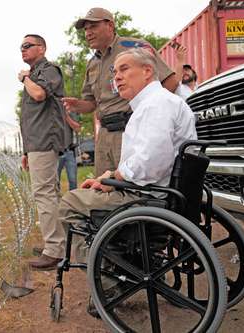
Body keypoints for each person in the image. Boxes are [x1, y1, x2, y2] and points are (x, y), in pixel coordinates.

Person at [58, 47, 197, 277]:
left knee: (70, 202)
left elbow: (150, 162)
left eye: (124, 69)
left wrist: (114, 178)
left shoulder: (156, 105)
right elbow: (148, 159)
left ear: (147, 71)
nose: (117, 77)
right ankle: (118, 261)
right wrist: (112, 177)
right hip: (160, 191)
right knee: (90, 190)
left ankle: (106, 276)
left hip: (148, 197)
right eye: (114, 73)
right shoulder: (157, 103)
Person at [62, 7, 179, 179]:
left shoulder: (135, 48)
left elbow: (170, 82)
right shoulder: (92, 63)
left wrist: (145, 116)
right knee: (103, 188)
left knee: (132, 189)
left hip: (130, 130)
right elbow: (91, 104)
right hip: (104, 136)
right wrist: (77, 105)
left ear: (110, 25)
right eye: (86, 29)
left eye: (93, 27)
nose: (88, 33)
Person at [18, 34, 66, 270]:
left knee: (44, 194)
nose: (23, 50)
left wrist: (25, 77)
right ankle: (57, 243)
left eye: (28, 46)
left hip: (45, 141)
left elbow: (39, 95)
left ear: (42, 48)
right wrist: (26, 150)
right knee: (50, 193)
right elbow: (30, 118)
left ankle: (54, 249)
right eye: (21, 47)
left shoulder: (48, 70)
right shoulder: (36, 74)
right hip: (36, 143)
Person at [57, 111, 81, 192]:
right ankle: (56, 202)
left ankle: (73, 201)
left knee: (73, 180)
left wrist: (66, 116)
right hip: (55, 153)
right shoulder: (50, 112)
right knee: (55, 181)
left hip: (69, 151)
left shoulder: (70, 112)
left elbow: (77, 128)